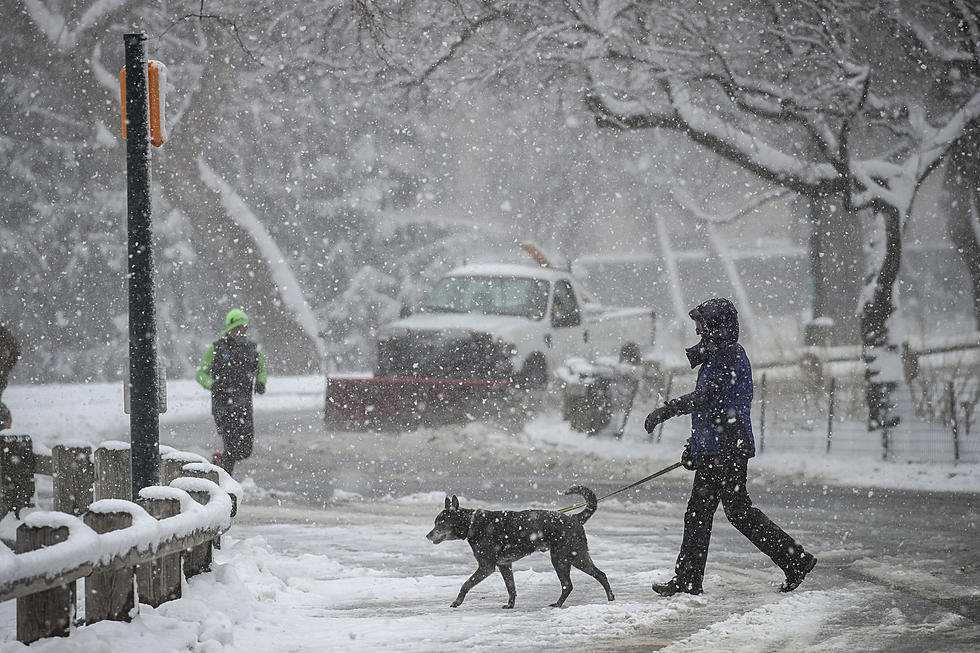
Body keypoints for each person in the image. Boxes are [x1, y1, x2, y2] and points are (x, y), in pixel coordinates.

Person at [643, 298, 816, 595]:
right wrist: (695, 448)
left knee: (737, 512)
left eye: (702, 324)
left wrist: (669, 409)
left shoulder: (729, 356)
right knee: (699, 513)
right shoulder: (716, 355)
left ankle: (795, 560)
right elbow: (710, 412)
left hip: (728, 449)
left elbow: (708, 398)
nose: (697, 330)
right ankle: (688, 580)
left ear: (716, 327)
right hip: (716, 448)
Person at [196, 309, 267, 474]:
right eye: (237, 328)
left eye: (243, 328)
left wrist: (261, 382)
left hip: (244, 405)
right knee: (232, 446)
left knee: (245, 450)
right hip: (223, 406)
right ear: (229, 329)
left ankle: (219, 462)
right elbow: (200, 373)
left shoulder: (253, 349)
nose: (240, 332)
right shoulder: (217, 348)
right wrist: (212, 384)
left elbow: (262, 369)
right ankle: (225, 483)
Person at [0, 321, 21, 430]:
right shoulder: (2, 331)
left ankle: (4, 424)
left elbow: (16, 350)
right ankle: (4, 426)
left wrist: (6, 367)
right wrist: (6, 367)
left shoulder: (2, 331)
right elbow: (16, 350)